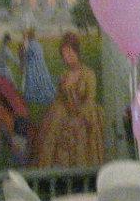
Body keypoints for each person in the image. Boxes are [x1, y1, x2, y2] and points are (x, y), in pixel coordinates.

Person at [32, 31, 105, 167]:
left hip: (85, 115)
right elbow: (59, 99)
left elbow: (90, 100)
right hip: (65, 113)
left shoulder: (88, 74)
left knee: (78, 130)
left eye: (70, 52)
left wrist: (77, 116)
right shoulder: (64, 76)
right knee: (53, 125)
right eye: (64, 54)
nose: (68, 56)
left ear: (77, 52)